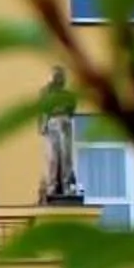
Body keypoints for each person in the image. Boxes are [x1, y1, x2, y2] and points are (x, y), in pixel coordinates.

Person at [36, 67, 83, 204]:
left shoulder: (69, 95)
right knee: (52, 157)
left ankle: (66, 185)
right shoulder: (45, 93)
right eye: (55, 76)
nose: (57, 78)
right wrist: (42, 125)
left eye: (59, 76)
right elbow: (41, 109)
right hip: (51, 124)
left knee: (65, 156)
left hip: (65, 123)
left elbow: (71, 109)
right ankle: (53, 186)